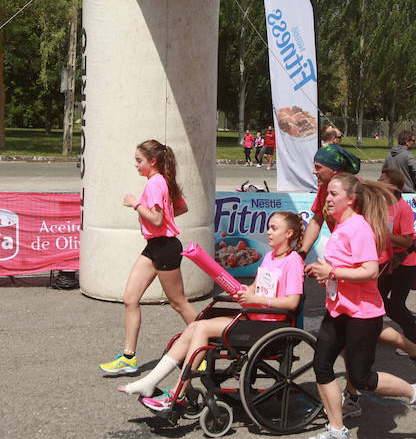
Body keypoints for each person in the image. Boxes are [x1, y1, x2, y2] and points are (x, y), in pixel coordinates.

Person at [118, 211, 305, 409]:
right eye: (268, 227)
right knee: (195, 326)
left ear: (289, 234)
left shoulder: (293, 261)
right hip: (254, 318)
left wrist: (255, 298)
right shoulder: (268, 257)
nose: (268, 232)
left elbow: (292, 302)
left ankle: (177, 393)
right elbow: (255, 289)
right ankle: (151, 383)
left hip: (272, 326)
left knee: (202, 329)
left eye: (274, 228)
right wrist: (240, 292)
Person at [304, 174, 416, 439]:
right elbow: (343, 269)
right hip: (338, 309)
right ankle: (337, 430)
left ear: (350, 199)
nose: (327, 199)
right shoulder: (341, 226)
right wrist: (325, 274)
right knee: (322, 365)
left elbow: (369, 270)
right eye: (327, 194)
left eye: (333, 194)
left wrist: (332, 272)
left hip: (362, 314)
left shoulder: (359, 228)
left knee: (362, 378)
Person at [99, 139, 197, 376]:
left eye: (139, 160)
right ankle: (128, 357)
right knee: (130, 298)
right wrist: (164, 213)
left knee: (178, 302)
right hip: (155, 246)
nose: (136, 165)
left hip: (164, 247)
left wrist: (135, 204)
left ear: (152, 161)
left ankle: (204, 348)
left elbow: (155, 219)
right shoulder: (163, 180)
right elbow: (180, 208)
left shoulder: (155, 183)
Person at [378, 168, 416, 371]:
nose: (379, 182)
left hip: (405, 262)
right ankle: (408, 324)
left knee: (394, 305)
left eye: (383, 180)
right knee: (378, 300)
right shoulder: (381, 205)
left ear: (394, 186)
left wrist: (384, 236)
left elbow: (407, 239)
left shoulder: (403, 208)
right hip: (388, 261)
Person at [298, 143, 361, 260]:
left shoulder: (356, 190)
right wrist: (302, 254)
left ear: (334, 171)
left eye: (318, 167)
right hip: (344, 256)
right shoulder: (324, 188)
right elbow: (317, 220)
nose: (313, 171)